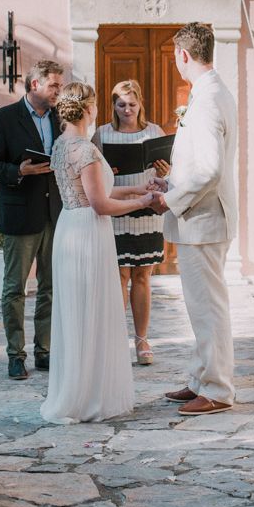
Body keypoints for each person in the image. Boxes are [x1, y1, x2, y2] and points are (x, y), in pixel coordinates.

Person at [39, 82, 154, 424]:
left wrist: (137, 186)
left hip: (70, 228)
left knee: (76, 314)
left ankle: (76, 388)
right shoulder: (85, 150)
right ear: (89, 108)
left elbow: (97, 190)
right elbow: (101, 203)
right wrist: (143, 203)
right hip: (89, 231)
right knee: (90, 310)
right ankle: (88, 396)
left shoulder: (61, 145)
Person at [149, 22, 238, 416]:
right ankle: (201, 377)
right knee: (200, 304)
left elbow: (209, 170)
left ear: (184, 55)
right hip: (203, 218)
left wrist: (168, 199)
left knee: (208, 306)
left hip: (203, 221)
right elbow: (198, 167)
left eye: (174, 57)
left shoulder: (205, 101)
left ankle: (217, 388)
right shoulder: (212, 92)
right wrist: (170, 179)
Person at [0, 60, 64, 380]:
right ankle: (16, 354)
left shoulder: (61, 118)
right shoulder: (2, 119)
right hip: (18, 213)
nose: (58, 91)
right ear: (34, 85)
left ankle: (45, 351)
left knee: (51, 287)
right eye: (54, 85)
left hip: (54, 214)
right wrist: (18, 171)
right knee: (14, 289)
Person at [92, 79, 169, 365]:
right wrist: (106, 170)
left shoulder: (153, 131)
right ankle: (116, 341)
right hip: (117, 208)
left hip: (147, 210)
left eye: (132, 105)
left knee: (142, 277)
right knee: (119, 277)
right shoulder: (102, 133)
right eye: (121, 104)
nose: (127, 110)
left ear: (140, 105)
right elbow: (92, 173)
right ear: (113, 105)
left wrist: (165, 168)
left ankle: (142, 339)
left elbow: (169, 168)